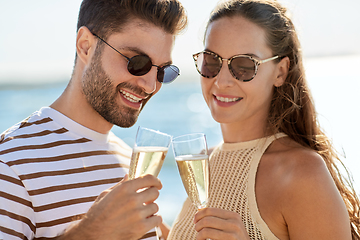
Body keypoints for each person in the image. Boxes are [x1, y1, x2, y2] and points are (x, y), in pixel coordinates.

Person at [166, 0, 360, 239]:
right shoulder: (205, 164)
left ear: (280, 71)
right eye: (212, 61)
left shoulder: (302, 173)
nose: (222, 80)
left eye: (244, 65)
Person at [0, 0, 187, 239]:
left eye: (162, 72)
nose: (150, 86)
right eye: (137, 63)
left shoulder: (129, 160)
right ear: (86, 46)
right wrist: (91, 232)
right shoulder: (10, 164)